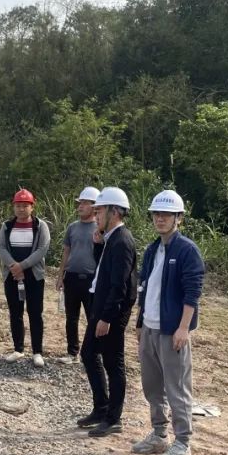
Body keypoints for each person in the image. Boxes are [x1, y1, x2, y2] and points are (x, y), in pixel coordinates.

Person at [130, 190, 205, 455]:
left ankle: (183, 442)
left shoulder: (187, 250)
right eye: (156, 214)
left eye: (166, 215)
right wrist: (140, 322)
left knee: (177, 387)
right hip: (150, 328)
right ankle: (159, 434)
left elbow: (192, 293)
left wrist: (183, 328)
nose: (160, 219)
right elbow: (144, 287)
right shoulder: (152, 250)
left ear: (178, 218)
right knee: (152, 386)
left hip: (172, 330)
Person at [76, 186, 136, 437]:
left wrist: (107, 318)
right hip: (101, 307)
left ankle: (113, 418)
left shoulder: (122, 241)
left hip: (111, 312)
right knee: (89, 354)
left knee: (113, 363)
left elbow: (119, 285)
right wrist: (98, 245)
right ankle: (101, 408)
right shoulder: (110, 239)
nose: (96, 215)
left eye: (100, 211)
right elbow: (104, 270)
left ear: (115, 212)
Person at [0, 188, 51, 367]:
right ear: (13, 207)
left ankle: (37, 352)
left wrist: (22, 266)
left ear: (32, 207)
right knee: (15, 312)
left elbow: (42, 249)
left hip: (34, 276)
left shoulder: (40, 226)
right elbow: (1, 247)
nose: (21, 209)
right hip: (12, 275)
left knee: (35, 313)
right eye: (18, 205)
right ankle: (18, 349)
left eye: (25, 205)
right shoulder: (7, 226)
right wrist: (13, 266)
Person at [54, 186, 101, 364]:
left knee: (92, 318)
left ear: (95, 207)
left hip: (92, 280)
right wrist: (60, 276)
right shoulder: (72, 227)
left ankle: (93, 354)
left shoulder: (100, 228)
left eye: (85, 203)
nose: (80, 206)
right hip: (72, 278)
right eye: (80, 203)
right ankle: (72, 353)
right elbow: (66, 252)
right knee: (71, 318)